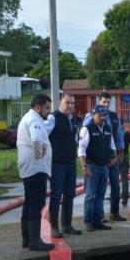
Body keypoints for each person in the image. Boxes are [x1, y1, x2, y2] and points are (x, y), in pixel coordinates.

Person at [17, 94, 54, 251]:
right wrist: (40, 156)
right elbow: (37, 139)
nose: (48, 112)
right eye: (46, 108)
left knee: (29, 202)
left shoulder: (30, 118)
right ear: (38, 107)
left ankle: (27, 238)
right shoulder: (34, 119)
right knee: (36, 203)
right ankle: (35, 241)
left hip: (30, 167)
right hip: (36, 167)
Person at [83, 92, 125, 221]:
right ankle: (98, 216)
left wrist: (120, 153)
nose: (106, 105)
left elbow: (118, 134)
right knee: (95, 190)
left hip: (112, 157)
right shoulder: (90, 116)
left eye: (108, 102)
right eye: (104, 102)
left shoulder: (113, 116)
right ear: (99, 102)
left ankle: (114, 212)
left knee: (115, 186)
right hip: (95, 159)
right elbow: (83, 136)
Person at [46, 93, 82, 238]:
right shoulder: (53, 117)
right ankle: (54, 227)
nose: (71, 106)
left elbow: (74, 138)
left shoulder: (72, 119)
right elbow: (42, 135)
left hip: (70, 162)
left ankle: (67, 225)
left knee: (70, 194)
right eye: (68, 103)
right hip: (56, 163)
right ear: (60, 102)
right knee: (56, 195)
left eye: (73, 103)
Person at [78, 105, 116, 231]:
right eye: (100, 115)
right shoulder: (87, 129)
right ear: (93, 115)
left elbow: (112, 145)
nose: (103, 117)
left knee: (100, 195)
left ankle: (97, 221)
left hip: (104, 166)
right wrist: (84, 166)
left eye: (104, 115)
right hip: (92, 165)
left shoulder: (107, 128)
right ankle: (88, 221)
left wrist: (113, 157)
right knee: (90, 195)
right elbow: (81, 149)